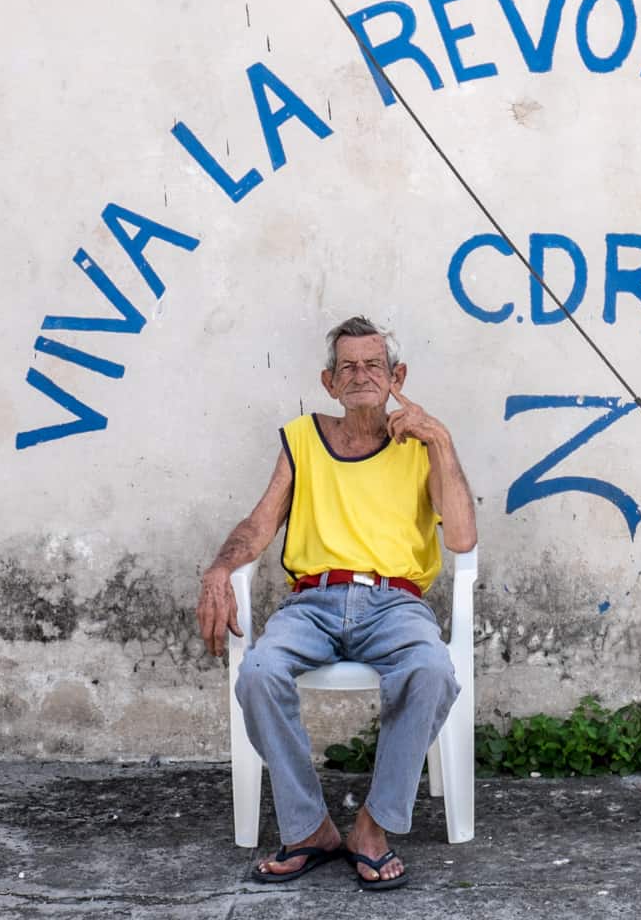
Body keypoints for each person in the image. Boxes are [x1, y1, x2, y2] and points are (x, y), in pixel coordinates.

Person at [196, 315, 476, 891]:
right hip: (313, 602)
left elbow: (462, 539)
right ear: (329, 382)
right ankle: (310, 829)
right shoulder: (302, 438)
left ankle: (372, 826)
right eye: (347, 366)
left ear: (397, 375)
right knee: (258, 672)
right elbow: (259, 524)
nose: (360, 375)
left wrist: (441, 440)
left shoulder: (424, 445)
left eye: (374, 365)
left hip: (396, 605)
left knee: (430, 670)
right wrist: (222, 566)